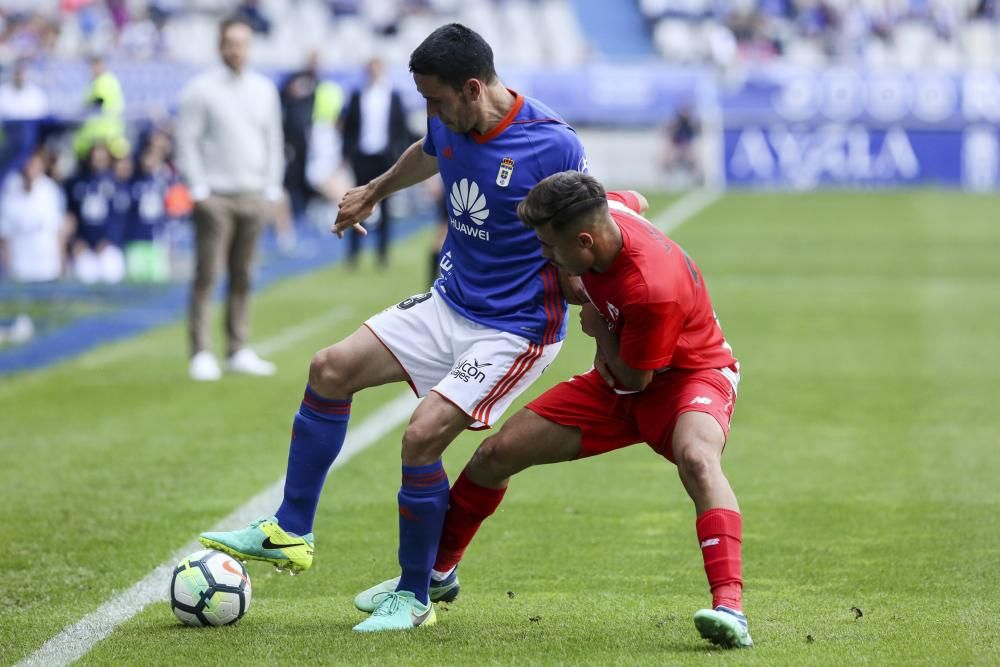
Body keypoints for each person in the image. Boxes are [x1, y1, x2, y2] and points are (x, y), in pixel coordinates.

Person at [199, 23, 588, 633]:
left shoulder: (553, 145)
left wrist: (596, 296)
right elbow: (428, 149)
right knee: (330, 368)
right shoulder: (448, 120)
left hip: (514, 328)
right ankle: (289, 530)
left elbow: (586, 230)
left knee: (421, 437)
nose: (429, 113)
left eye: (435, 101)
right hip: (449, 302)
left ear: (472, 87)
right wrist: (375, 191)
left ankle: (414, 597)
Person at [357, 172, 753, 648]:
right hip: (614, 378)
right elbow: (636, 199)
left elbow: (636, 379)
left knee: (696, 457)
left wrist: (595, 324)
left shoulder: (651, 288)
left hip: (687, 377)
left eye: (551, 246)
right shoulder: (610, 215)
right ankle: (438, 572)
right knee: (495, 455)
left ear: (585, 240)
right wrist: (576, 275)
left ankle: (730, 607)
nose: (545, 255)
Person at [176, 15, 284, 381]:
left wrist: (271, 187)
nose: (236, 50)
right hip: (216, 196)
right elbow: (186, 140)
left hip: (253, 194)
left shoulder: (264, 89)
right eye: (230, 43)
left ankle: (238, 347)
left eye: (242, 43)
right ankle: (201, 351)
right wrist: (199, 189)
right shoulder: (200, 89)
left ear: (249, 47)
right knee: (207, 274)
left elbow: (273, 141)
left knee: (244, 274)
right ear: (220, 45)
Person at [340, 57, 411, 268]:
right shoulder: (357, 95)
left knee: (386, 206)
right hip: (362, 156)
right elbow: (349, 128)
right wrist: (347, 154)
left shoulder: (393, 96)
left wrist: (399, 155)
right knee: (356, 203)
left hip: (385, 157)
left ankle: (382, 254)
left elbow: (400, 128)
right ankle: (354, 254)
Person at [0, 149, 70, 282]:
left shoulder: (50, 190)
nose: (31, 167)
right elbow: (5, 234)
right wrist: (7, 266)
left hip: (46, 261)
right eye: (29, 163)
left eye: (35, 163)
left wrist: (62, 262)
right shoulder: (10, 188)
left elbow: (59, 230)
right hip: (19, 261)